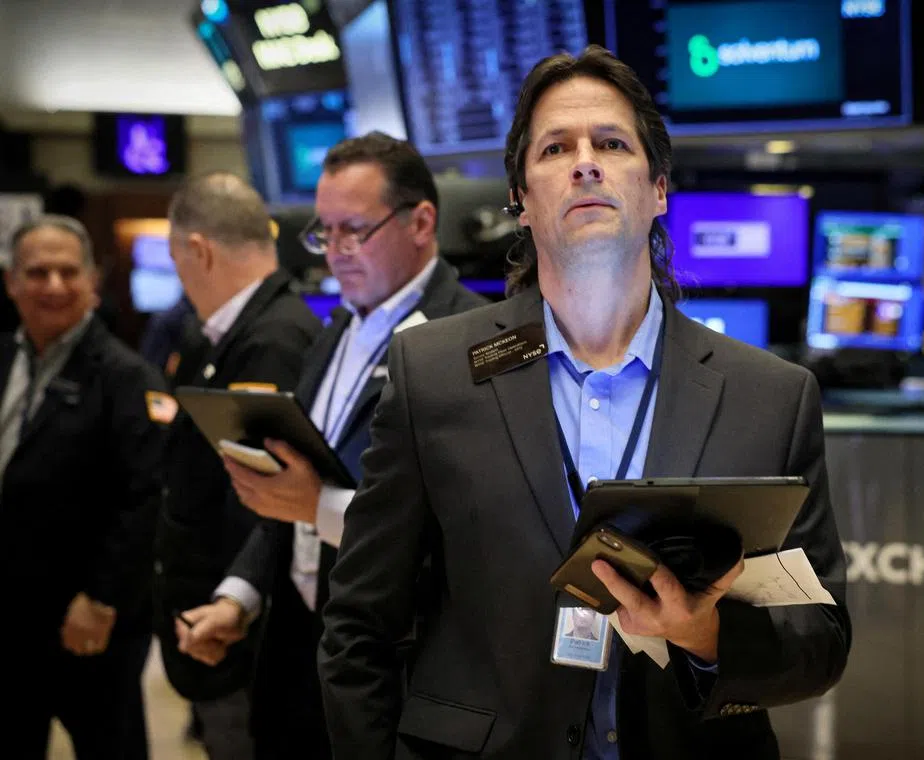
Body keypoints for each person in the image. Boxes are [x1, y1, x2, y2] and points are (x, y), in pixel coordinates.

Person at [318, 46, 851, 760]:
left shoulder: (771, 396)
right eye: (555, 148)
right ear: (521, 198)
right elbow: (359, 624)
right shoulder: (433, 374)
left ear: (658, 188)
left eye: (611, 143)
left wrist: (706, 634)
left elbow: (822, 640)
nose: (585, 163)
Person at [172, 133, 488, 759]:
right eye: (325, 232)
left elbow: (465, 531)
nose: (335, 252)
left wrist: (317, 506)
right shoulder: (338, 324)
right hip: (296, 642)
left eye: (355, 231)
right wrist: (242, 594)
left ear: (421, 222)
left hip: (396, 660)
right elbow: (295, 486)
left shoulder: (470, 341)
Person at [153, 173, 323, 760]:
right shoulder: (227, 335)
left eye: (178, 264)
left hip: (241, 632)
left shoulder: (273, 339)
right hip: (221, 619)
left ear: (197, 251)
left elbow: (266, 505)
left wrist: (232, 604)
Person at [0, 215, 170, 759]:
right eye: (37, 272)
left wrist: (102, 598)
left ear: (93, 282)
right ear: (11, 282)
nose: (53, 286)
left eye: (68, 272)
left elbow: (146, 496)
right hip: (12, 615)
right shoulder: (5, 358)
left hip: (90, 621)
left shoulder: (126, 377)